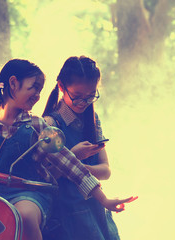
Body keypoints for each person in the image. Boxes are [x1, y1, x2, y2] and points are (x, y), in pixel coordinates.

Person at [0, 59, 134, 240]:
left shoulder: (37, 124)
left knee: (25, 217)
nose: (38, 95)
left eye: (40, 90)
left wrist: (104, 200)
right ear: (13, 83)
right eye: (34, 88)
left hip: (27, 194)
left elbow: (72, 166)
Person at [42, 56, 131, 240]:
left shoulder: (92, 119)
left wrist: (80, 168)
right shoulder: (50, 125)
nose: (83, 102)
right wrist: (74, 156)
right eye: (77, 97)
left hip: (96, 206)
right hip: (67, 212)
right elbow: (44, 177)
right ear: (61, 86)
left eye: (91, 96)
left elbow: (106, 171)